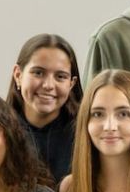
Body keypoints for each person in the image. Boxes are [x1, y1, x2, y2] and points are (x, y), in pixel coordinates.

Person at [10, 33, 84, 182]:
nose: (48, 85)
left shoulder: (86, 133)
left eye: (60, 76)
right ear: (18, 75)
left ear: (71, 83)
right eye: (38, 73)